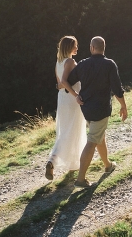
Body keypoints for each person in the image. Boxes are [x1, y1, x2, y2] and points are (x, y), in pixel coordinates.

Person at [64, 36, 128, 188]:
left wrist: (76, 95)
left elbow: (68, 81)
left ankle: (108, 164)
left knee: (99, 135)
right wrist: (124, 106)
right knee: (92, 141)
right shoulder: (109, 64)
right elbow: (117, 89)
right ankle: (80, 179)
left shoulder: (83, 64)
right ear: (103, 48)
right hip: (101, 109)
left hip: (86, 108)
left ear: (92, 48)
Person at [45, 36, 87, 180]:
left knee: (66, 130)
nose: (77, 48)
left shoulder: (58, 62)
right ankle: (58, 161)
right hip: (71, 99)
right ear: (69, 47)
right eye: (75, 46)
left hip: (62, 98)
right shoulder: (70, 61)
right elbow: (63, 81)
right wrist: (76, 94)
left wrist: (65, 87)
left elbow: (59, 85)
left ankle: (65, 163)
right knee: (72, 130)